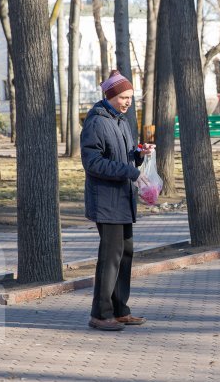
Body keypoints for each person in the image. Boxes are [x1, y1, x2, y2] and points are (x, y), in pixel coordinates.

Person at [80, 70, 155, 331]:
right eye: (123, 97)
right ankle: (100, 313)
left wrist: (139, 155)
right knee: (110, 257)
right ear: (110, 95)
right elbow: (93, 163)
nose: (127, 102)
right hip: (106, 201)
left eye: (131, 97)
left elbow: (124, 157)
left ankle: (120, 309)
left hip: (123, 200)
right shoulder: (96, 122)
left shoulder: (121, 121)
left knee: (125, 254)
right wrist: (130, 171)